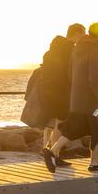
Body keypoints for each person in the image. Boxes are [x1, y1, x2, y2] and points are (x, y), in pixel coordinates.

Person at [43, 22, 98, 173]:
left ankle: (53, 151)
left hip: (77, 101)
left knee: (75, 128)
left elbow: (70, 74)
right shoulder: (96, 52)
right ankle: (94, 163)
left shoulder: (77, 50)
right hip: (94, 104)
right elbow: (96, 79)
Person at [23, 24, 85, 167]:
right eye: (82, 35)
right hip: (62, 92)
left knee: (57, 124)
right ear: (76, 34)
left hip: (50, 92)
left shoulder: (50, 51)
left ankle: (52, 154)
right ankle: (53, 155)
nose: (83, 38)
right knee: (61, 125)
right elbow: (70, 73)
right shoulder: (70, 50)